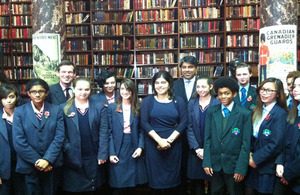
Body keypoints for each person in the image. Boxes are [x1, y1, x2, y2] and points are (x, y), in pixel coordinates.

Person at [12, 78, 65, 195]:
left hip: (51, 164)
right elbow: (19, 141)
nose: (37, 94)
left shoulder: (56, 110)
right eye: (33, 91)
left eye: (41, 91)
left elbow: (59, 136)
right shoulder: (20, 112)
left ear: (46, 93)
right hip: (28, 165)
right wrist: (37, 161)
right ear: (28, 93)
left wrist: (47, 159)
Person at [203, 77, 252, 195]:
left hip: (234, 165)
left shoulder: (244, 113)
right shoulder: (211, 111)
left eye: (227, 93)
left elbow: (246, 143)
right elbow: (207, 139)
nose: (223, 97)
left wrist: (241, 168)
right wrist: (207, 162)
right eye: (220, 94)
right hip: (215, 165)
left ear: (234, 94)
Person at [141, 71, 187, 194]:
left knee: (173, 181)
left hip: (174, 144)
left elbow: (183, 122)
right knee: (155, 180)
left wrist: (169, 141)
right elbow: (144, 123)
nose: (160, 85)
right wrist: (160, 141)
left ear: (169, 84)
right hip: (153, 144)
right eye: (157, 83)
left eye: (163, 82)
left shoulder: (179, 101)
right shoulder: (147, 101)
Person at [61, 77, 109, 193]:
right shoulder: (63, 108)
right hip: (73, 156)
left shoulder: (99, 107)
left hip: (94, 155)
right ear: (73, 89)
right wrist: (68, 150)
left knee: (93, 188)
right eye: (80, 89)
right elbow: (61, 134)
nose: (83, 92)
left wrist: (102, 153)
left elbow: (104, 131)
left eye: (87, 89)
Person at [245, 77, 288, 195]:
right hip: (251, 164)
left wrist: (255, 158)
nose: (264, 93)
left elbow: (276, 144)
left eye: (269, 90)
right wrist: (249, 154)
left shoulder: (280, 114)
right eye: (262, 89)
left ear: (278, 94)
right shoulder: (257, 110)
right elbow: (251, 136)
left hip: (266, 167)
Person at [107, 79, 147, 194]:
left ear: (133, 91)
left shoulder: (139, 107)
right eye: (123, 89)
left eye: (128, 89)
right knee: (118, 183)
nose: (125, 92)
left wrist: (140, 147)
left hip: (133, 144)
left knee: (132, 184)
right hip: (117, 146)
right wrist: (111, 152)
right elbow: (108, 132)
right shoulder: (112, 107)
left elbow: (141, 130)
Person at [186, 76, 220, 195]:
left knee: (213, 180)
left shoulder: (218, 103)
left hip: (212, 149)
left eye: (203, 86)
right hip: (196, 150)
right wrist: (197, 149)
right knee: (197, 183)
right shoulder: (192, 103)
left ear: (210, 87)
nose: (200, 89)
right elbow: (189, 127)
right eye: (198, 86)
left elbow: (219, 129)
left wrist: (207, 149)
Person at [274, 75, 300, 195]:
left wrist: (288, 174)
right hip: (285, 170)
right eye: (294, 86)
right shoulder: (294, 111)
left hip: (294, 175)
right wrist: (280, 162)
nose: (295, 89)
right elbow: (284, 141)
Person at [0, 83, 24, 195]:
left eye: (11, 97)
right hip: (3, 167)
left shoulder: (24, 114)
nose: (8, 101)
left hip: (23, 165)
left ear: (17, 97)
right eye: (4, 98)